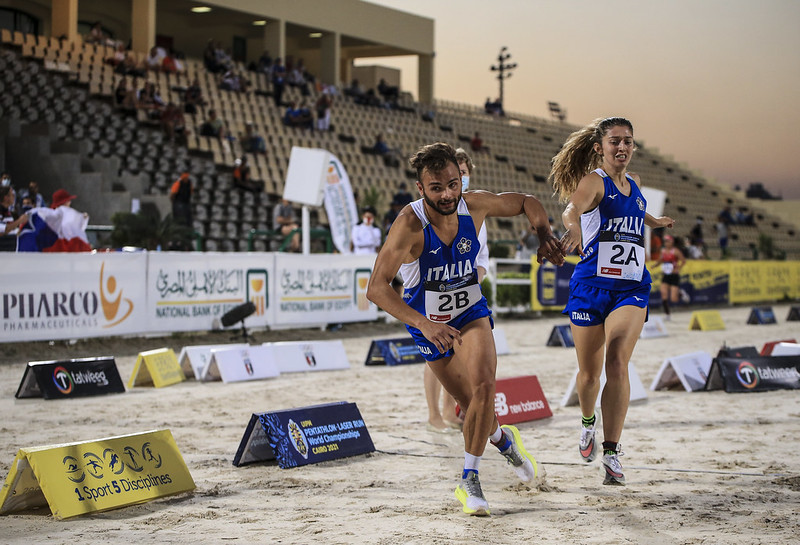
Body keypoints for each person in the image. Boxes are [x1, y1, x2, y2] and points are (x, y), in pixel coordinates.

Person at [367, 142, 564, 515]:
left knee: (485, 386)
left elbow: (527, 201)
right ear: (420, 188)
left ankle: (469, 479)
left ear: (461, 180)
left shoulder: (474, 205)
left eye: (452, 185)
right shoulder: (409, 225)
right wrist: (424, 324)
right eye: (436, 188)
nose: (447, 195)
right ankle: (505, 442)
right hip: (428, 322)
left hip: (471, 310)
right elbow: (376, 288)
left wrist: (543, 234)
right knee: (473, 405)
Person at [550, 117, 675, 486]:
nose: (622, 147)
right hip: (590, 286)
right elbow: (571, 210)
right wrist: (573, 227)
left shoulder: (634, 182)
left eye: (628, 141)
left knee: (617, 361)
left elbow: (633, 210)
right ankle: (588, 422)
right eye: (615, 141)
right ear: (599, 147)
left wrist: (654, 222)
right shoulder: (594, 182)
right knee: (589, 376)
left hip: (631, 287)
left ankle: (611, 451)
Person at [423, 148, 490, 433]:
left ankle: (451, 412)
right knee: (436, 356)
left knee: (460, 358)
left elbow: (482, 257)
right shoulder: (432, 211)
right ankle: (433, 414)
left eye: (464, 173)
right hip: (437, 293)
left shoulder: (475, 209)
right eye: (456, 173)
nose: (461, 178)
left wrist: (473, 280)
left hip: (467, 295)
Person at [657, 234, 685, 320]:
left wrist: (677, 269)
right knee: (663, 293)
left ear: (672, 242)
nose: (666, 243)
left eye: (668, 241)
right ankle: (667, 314)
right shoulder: (663, 251)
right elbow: (661, 260)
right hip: (666, 275)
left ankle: (680, 293)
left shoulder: (676, 251)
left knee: (673, 298)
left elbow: (683, 261)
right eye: (665, 241)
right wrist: (654, 265)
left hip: (674, 275)